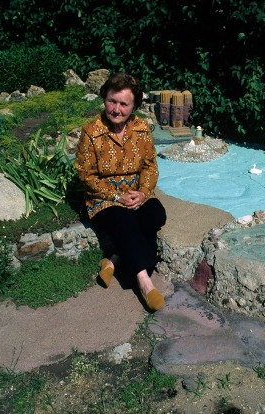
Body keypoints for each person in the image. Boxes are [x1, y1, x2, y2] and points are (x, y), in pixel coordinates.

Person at [75, 73, 167, 311]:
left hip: (136, 193)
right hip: (104, 199)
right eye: (111, 101)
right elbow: (86, 176)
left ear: (134, 106)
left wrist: (144, 192)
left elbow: (149, 166)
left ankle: (114, 259)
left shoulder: (142, 129)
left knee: (156, 214)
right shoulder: (91, 132)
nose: (116, 109)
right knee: (122, 220)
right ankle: (144, 282)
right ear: (104, 99)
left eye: (123, 104)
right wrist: (116, 196)